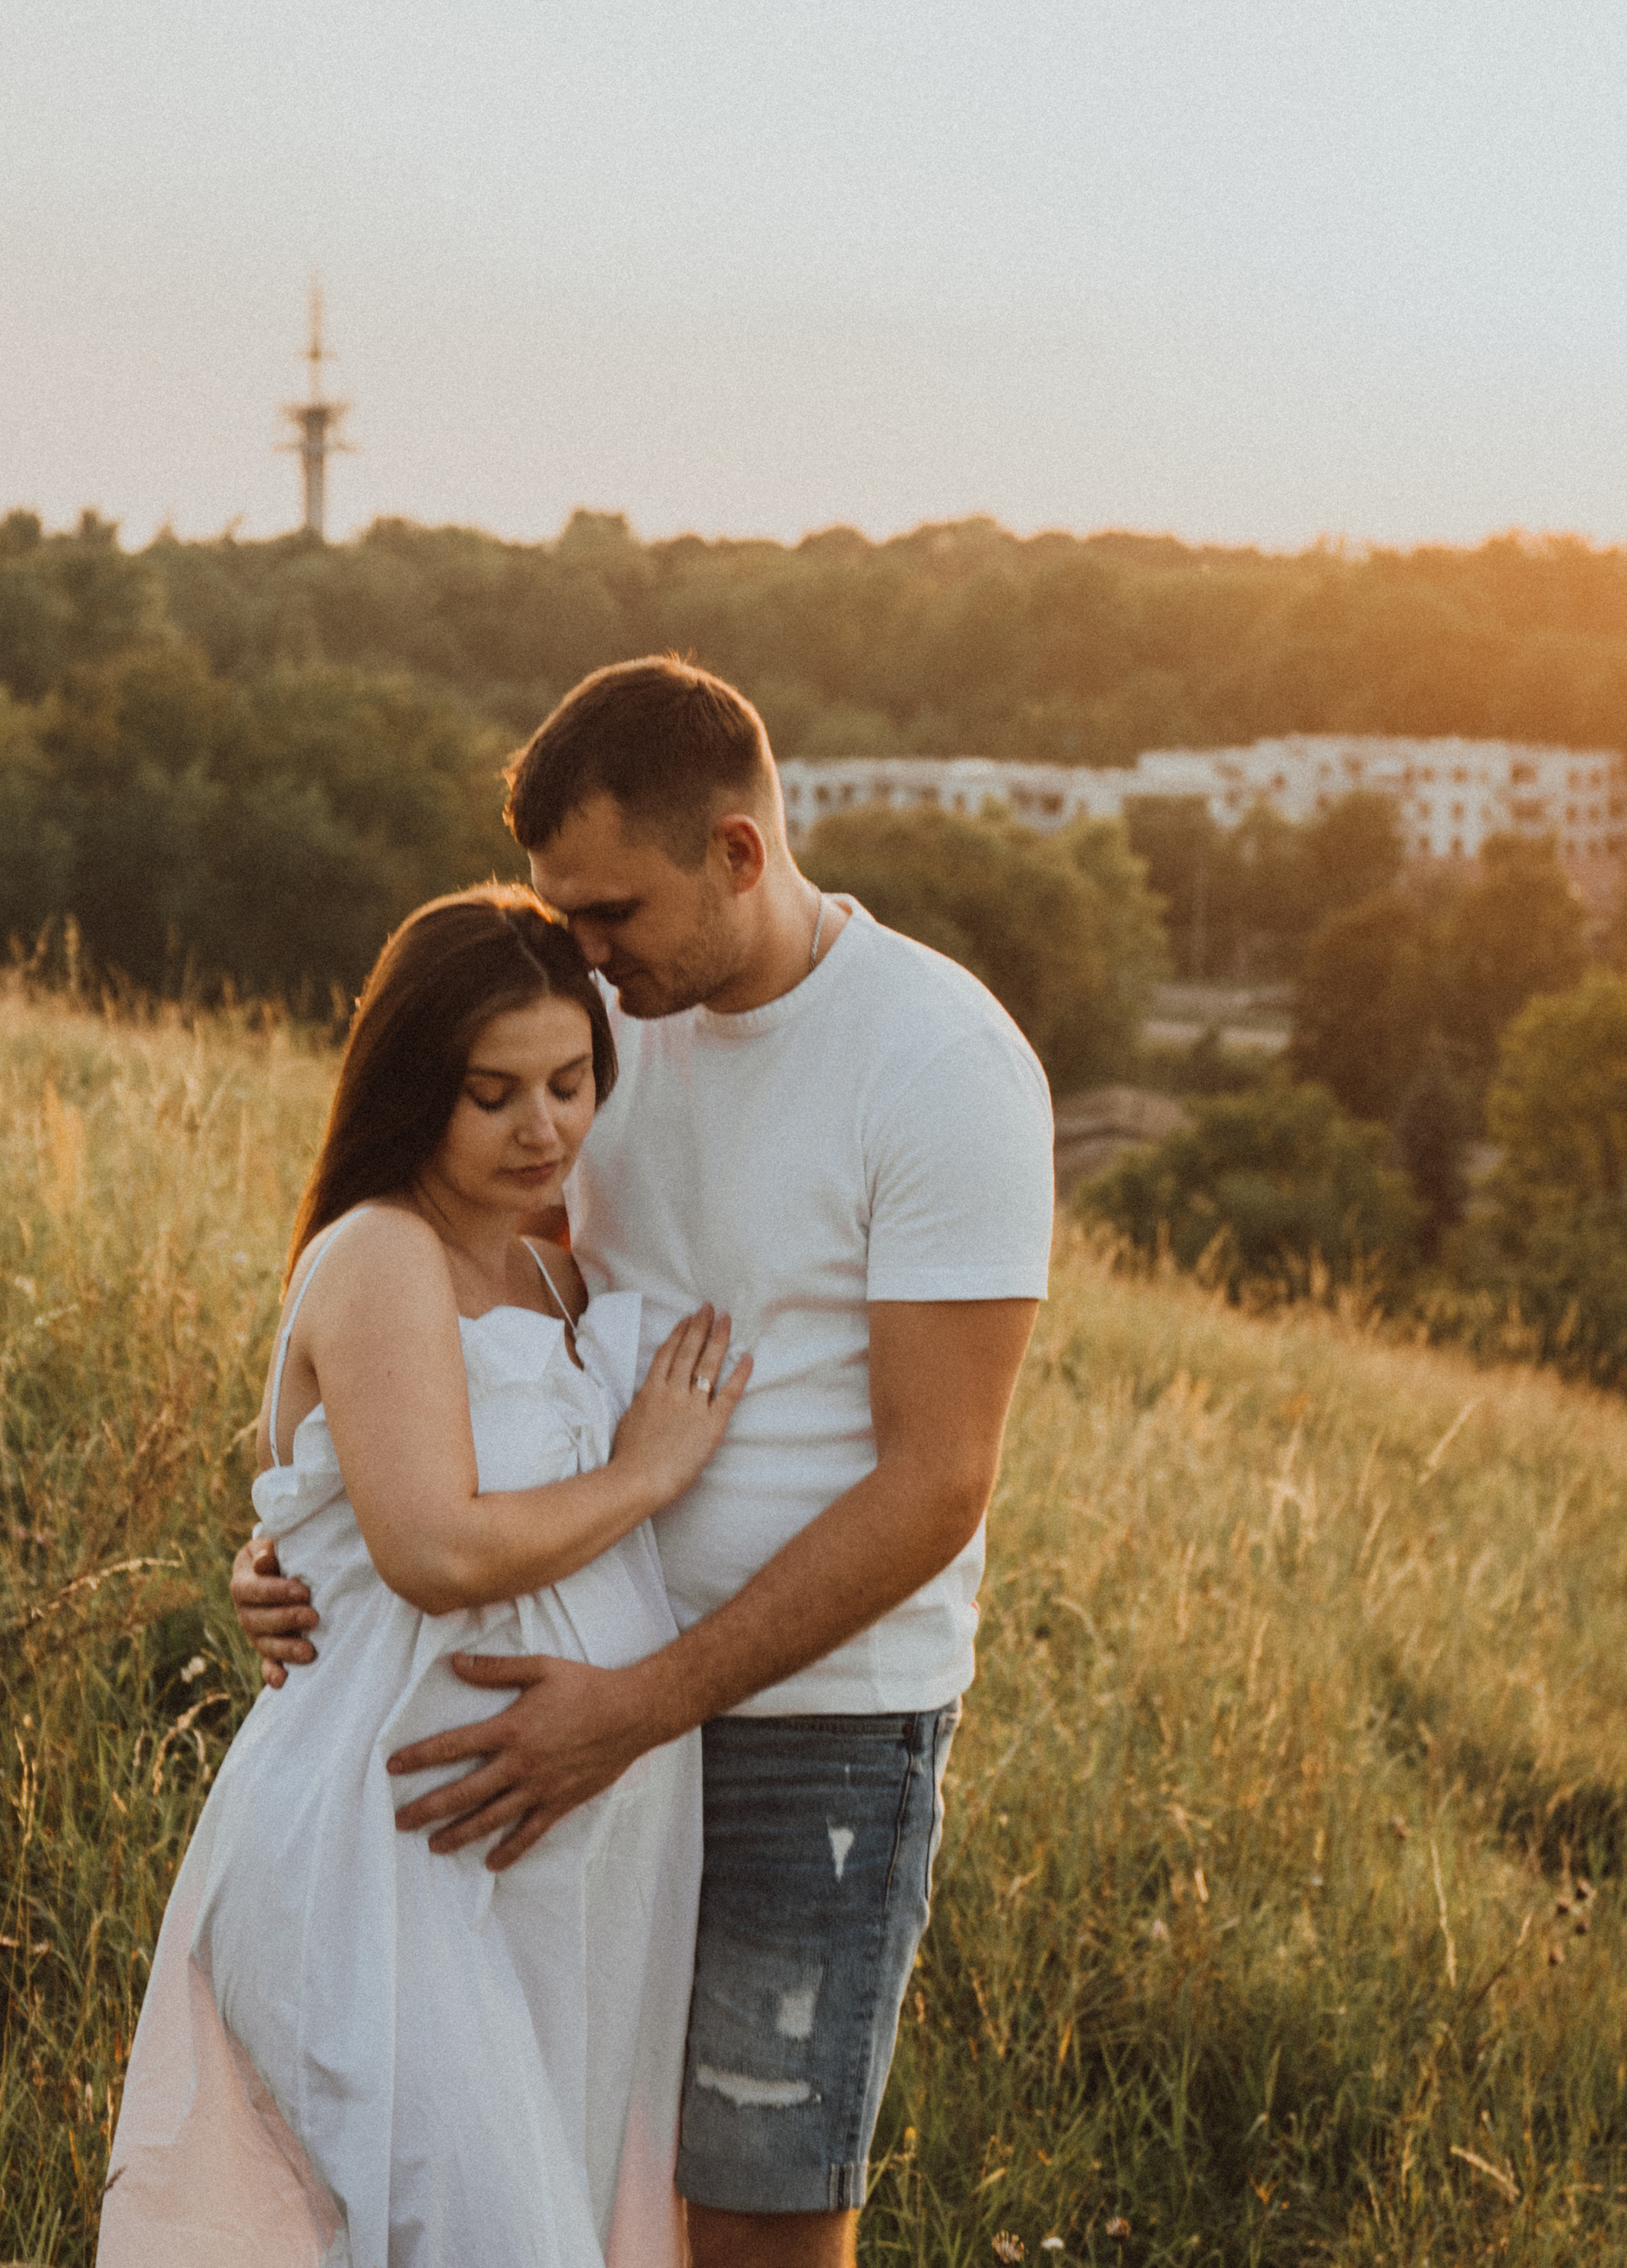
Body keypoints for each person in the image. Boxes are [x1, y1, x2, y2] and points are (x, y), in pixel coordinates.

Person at [238, 657, 1056, 2268]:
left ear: (738, 854)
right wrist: (301, 1539)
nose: (585, 950)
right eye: (566, 913)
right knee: (557, 2188)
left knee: (752, 2212)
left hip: (809, 1732)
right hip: (563, 1709)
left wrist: (639, 1705)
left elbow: (937, 1485)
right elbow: (446, 1298)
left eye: (611, 912)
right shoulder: (598, 1027)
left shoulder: (940, 1063)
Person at [100, 886, 750, 2268]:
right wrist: (647, 1470)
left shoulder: (549, 1268)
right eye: (491, 1094)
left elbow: (323, 1492)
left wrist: (279, 1546)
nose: (544, 1130)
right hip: (383, 1865)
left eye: (570, 1082)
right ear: (413, 1090)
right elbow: (435, 1550)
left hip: (549, 1882)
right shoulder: (383, 1249)